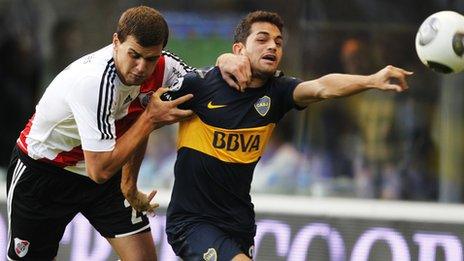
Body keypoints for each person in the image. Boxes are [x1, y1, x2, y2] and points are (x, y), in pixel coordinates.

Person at [147, 11, 412, 260]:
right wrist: (125, 182)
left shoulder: (278, 92)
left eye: (278, 42)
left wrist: (371, 80)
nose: (272, 46)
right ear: (238, 49)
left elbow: (322, 87)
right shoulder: (201, 84)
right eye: (262, 39)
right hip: (193, 220)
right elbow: (146, 116)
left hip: (239, 222)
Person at [5, 6, 251, 261]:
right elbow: (99, 170)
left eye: (151, 58)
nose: (141, 67)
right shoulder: (94, 82)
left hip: (103, 176)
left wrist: (223, 61)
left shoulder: (164, 67)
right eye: (134, 55)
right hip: (44, 173)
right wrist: (150, 119)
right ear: (116, 42)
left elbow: (204, 86)